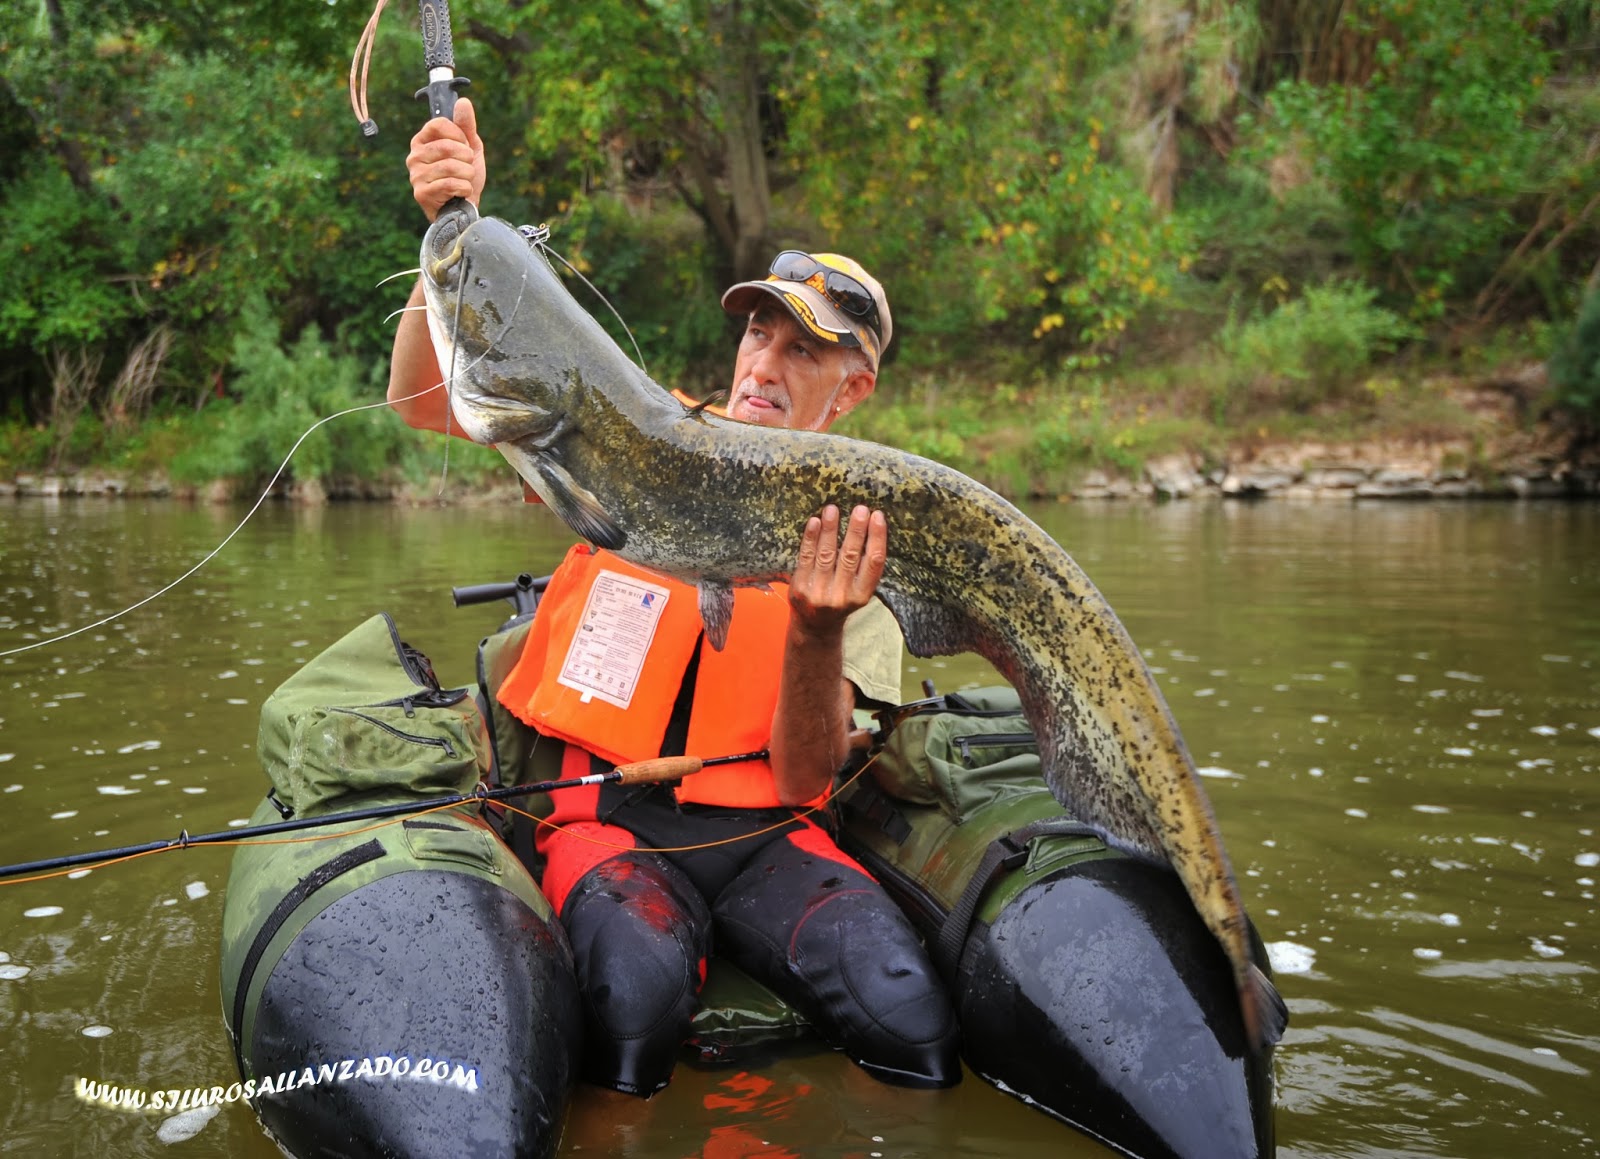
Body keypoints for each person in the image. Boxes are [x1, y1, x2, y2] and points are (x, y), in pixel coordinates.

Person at [388, 99, 960, 1096]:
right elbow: (426, 403)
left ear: (854, 389)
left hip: (763, 831)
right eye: (757, 335)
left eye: (802, 350)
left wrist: (819, 627)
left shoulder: (861, 537)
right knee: (634, 996)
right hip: (604, 816)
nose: (764, 364)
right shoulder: (640, 435)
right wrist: (449, 233)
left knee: (907, 1008)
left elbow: (807, 771)